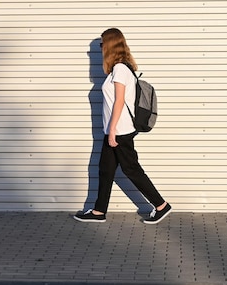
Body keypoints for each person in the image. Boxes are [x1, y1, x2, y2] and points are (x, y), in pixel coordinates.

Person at [74, 28, 172, 224]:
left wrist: (112, 131)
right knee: (105, 169)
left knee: (131, 169)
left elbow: (119, 101)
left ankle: (161, 205)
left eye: (103, 44)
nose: (101, 48)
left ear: (110, 45)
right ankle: (99, 211)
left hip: (119, 131)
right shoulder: (117, 69)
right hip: (115, 130)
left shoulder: (120, 69)